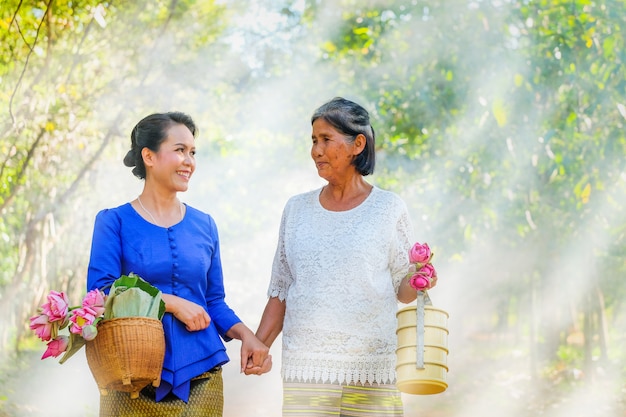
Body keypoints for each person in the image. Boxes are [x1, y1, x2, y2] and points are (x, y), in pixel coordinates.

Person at [246, 97, 437, 416]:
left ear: (357, 144)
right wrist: (259, 344)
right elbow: (281, 289)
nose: (316, 151)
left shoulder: (388, 209)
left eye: (325, 140)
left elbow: (402, 291)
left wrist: (422, 279)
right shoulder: (296, 210)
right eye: (313, 141)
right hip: (306, 373)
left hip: (370, 371)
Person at [87, 111, 270, 416]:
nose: (189, 161)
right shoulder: (113, 222)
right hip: (131, 378)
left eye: (193, 152)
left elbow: (213, 301)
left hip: (202, 375)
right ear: (149, 156)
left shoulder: (205, 225)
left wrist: (247, 336)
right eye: (180, 150)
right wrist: (169, 302)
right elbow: (99, 295)